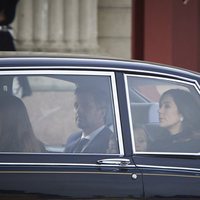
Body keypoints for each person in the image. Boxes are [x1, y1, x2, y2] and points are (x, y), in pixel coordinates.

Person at [65, 85, 118, 153]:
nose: (78, 111)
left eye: (86, 106)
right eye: (76, 106)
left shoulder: (111, 143)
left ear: (102, 113)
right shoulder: (72, 139)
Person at [150, 89, 200, 153]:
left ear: (182, 113)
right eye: (160, 106)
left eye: (167, 106)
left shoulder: (195, 146)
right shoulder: (158, 143)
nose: (159, 111)